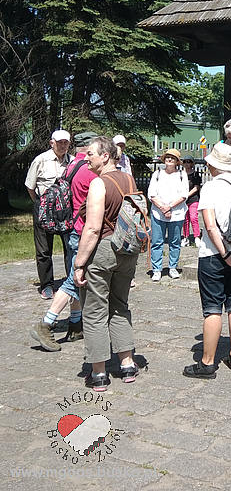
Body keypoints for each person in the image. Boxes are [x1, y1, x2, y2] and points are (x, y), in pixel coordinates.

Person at [183, 142, 231, 380]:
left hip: (214, 255)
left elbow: (211, 226)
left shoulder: (211, 189)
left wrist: (226, 255)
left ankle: (207, 363)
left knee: (212, 308)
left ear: (213, 165)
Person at [73, 136, 140, 391]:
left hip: (103, 250)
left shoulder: (99, 184)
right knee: (120, 306)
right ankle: (128, 364)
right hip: (127, 250)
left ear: (106, 156)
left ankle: (99, 373)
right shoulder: (129, 179)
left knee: (94, 311)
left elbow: (92, 228)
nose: (86, 157)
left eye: (91, 153)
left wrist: (80, 263)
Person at [30, 132, 98, 351]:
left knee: (77, 277)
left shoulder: (71, 165)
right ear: (89, 147)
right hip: (83, 230)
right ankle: (46, 323)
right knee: (72, 280)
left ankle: (76, 324)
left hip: (73, 226)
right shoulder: (88, 170)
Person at [25, 129, 73, 299]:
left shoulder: (72, 162)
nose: (62, 145)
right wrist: (43, 204)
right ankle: (46, 285)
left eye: (65, 142)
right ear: (52, 142)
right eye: (59, 142)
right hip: (44, 209)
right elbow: (30, 186)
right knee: (44, 249)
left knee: (70, 246)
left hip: (66, 211)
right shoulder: (40, 160)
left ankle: (72, 281)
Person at [148, 148, 189, 281]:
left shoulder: (182, 174)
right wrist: (162, 207)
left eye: (172, 158)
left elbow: (184, 195)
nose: (169, 160)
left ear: (177, 161)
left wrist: (169, 207)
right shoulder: (157, 174)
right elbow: (151, 194)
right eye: (167, 157)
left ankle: (172, 267)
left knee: (175, 242)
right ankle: (157, 269)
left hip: (176, 213)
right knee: (157, 242)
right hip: (158, 213)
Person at [181, 156, 202, 247]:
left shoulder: (195, 174)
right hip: (182, 200)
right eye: (185, 162)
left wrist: (187, 195)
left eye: (189, 162)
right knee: (185, 220)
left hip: (193, 199)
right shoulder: (180, 174)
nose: (187, 164)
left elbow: (196, 187)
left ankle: (197, 237)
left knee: (193, 217)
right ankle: (185, 237)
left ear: (192, 163)